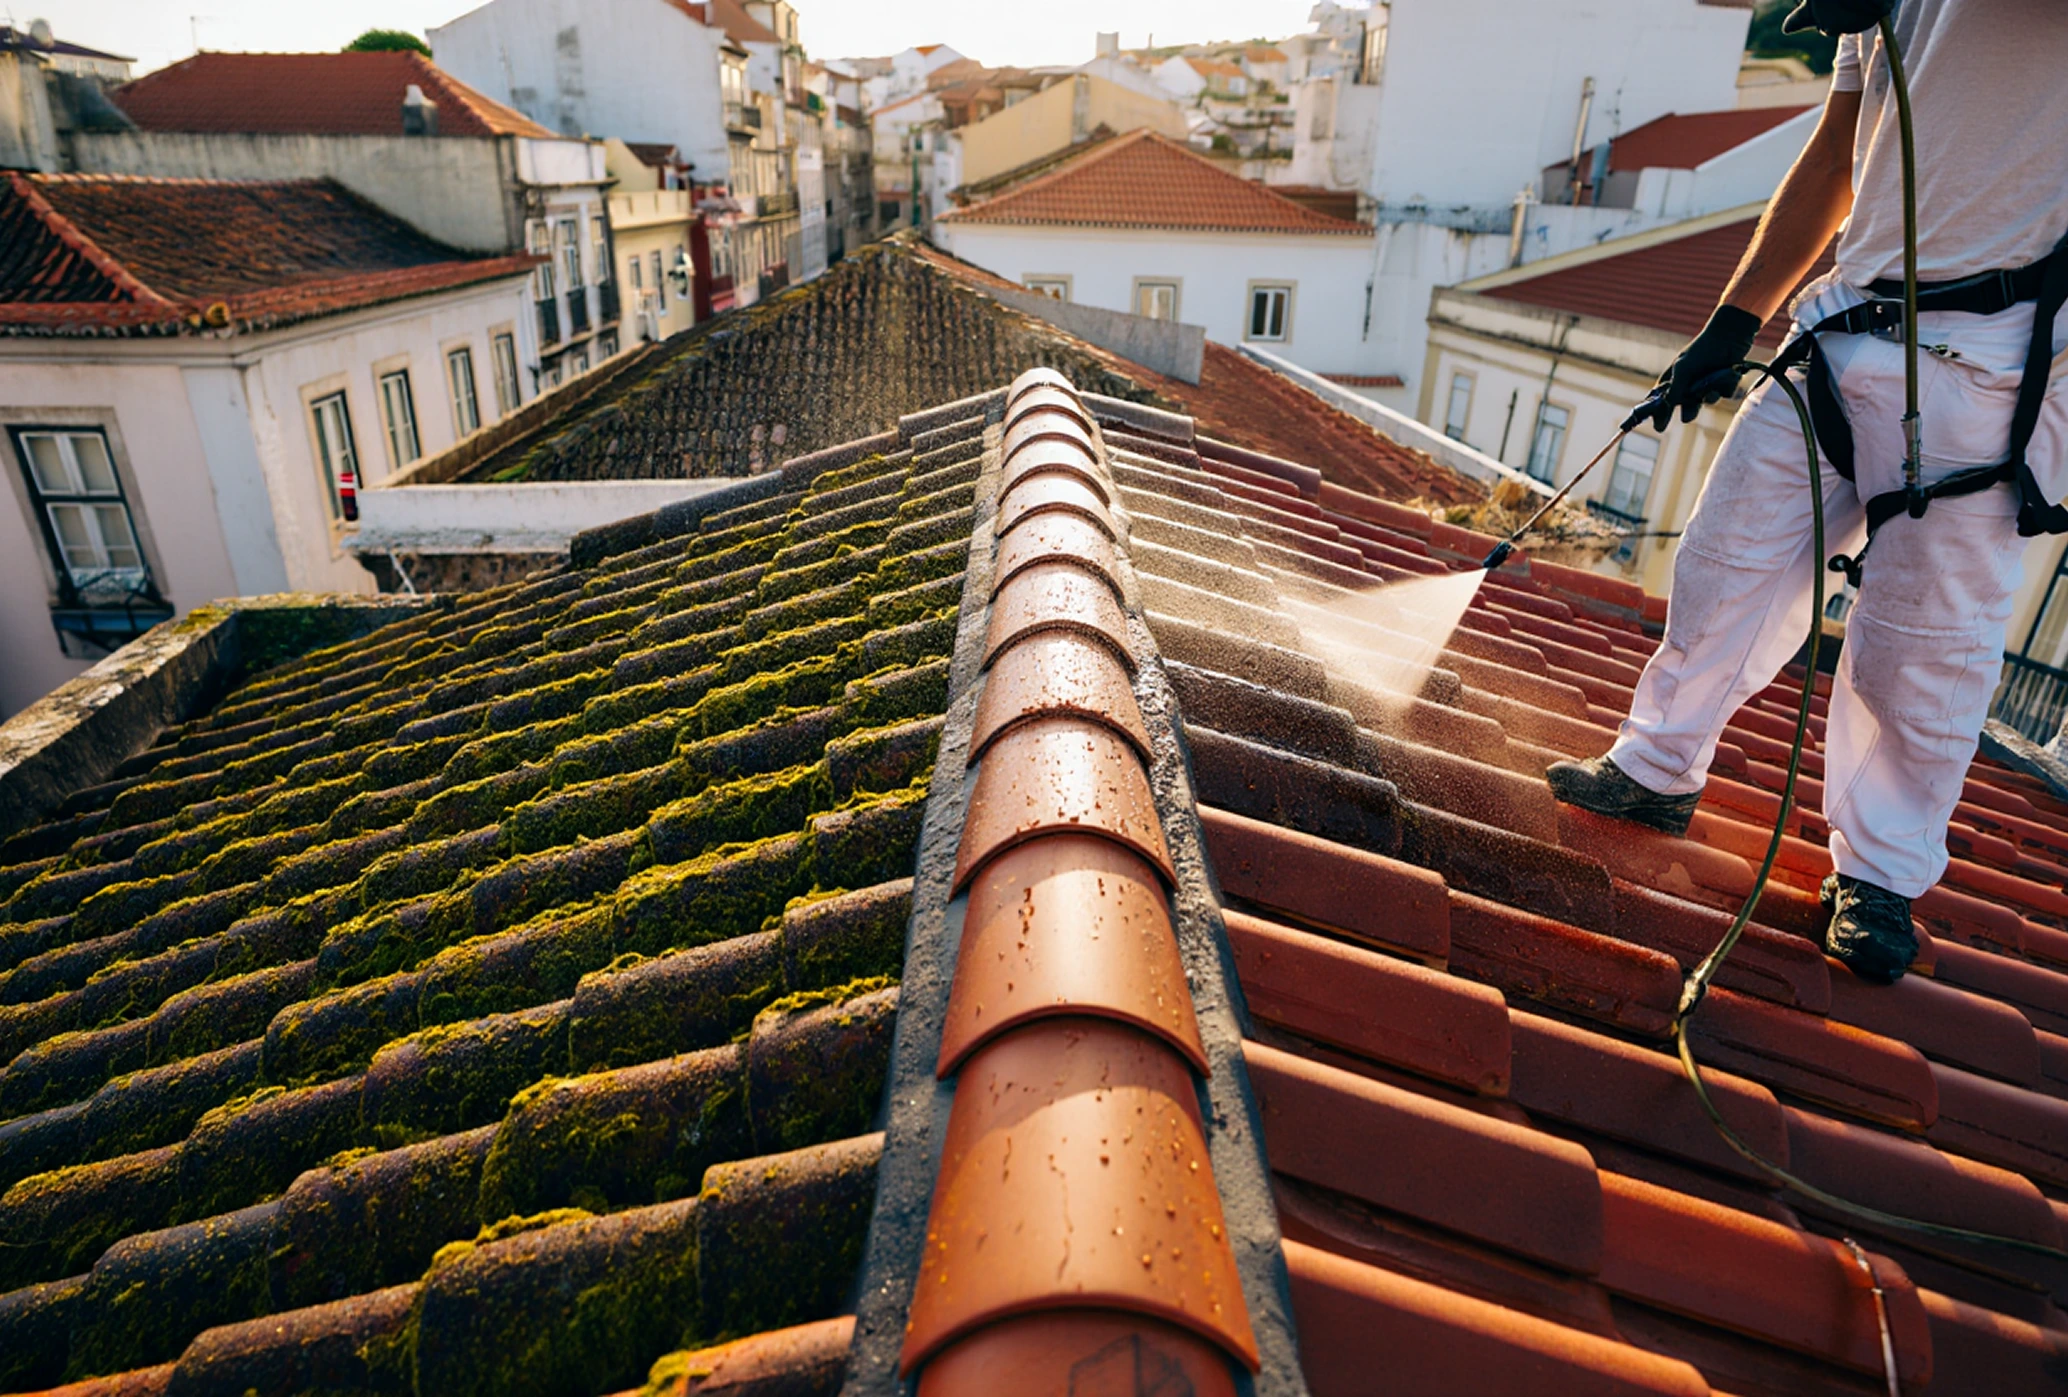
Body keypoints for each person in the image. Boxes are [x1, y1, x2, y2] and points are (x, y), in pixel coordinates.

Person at [1546, 0, 2068, 984]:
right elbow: (1835, 157)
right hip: (1841, 323)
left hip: (1990, 354)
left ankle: (1877, 876)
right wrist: (1731, 320)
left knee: (1920, 640)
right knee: (1724, 556)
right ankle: (1656, 767)